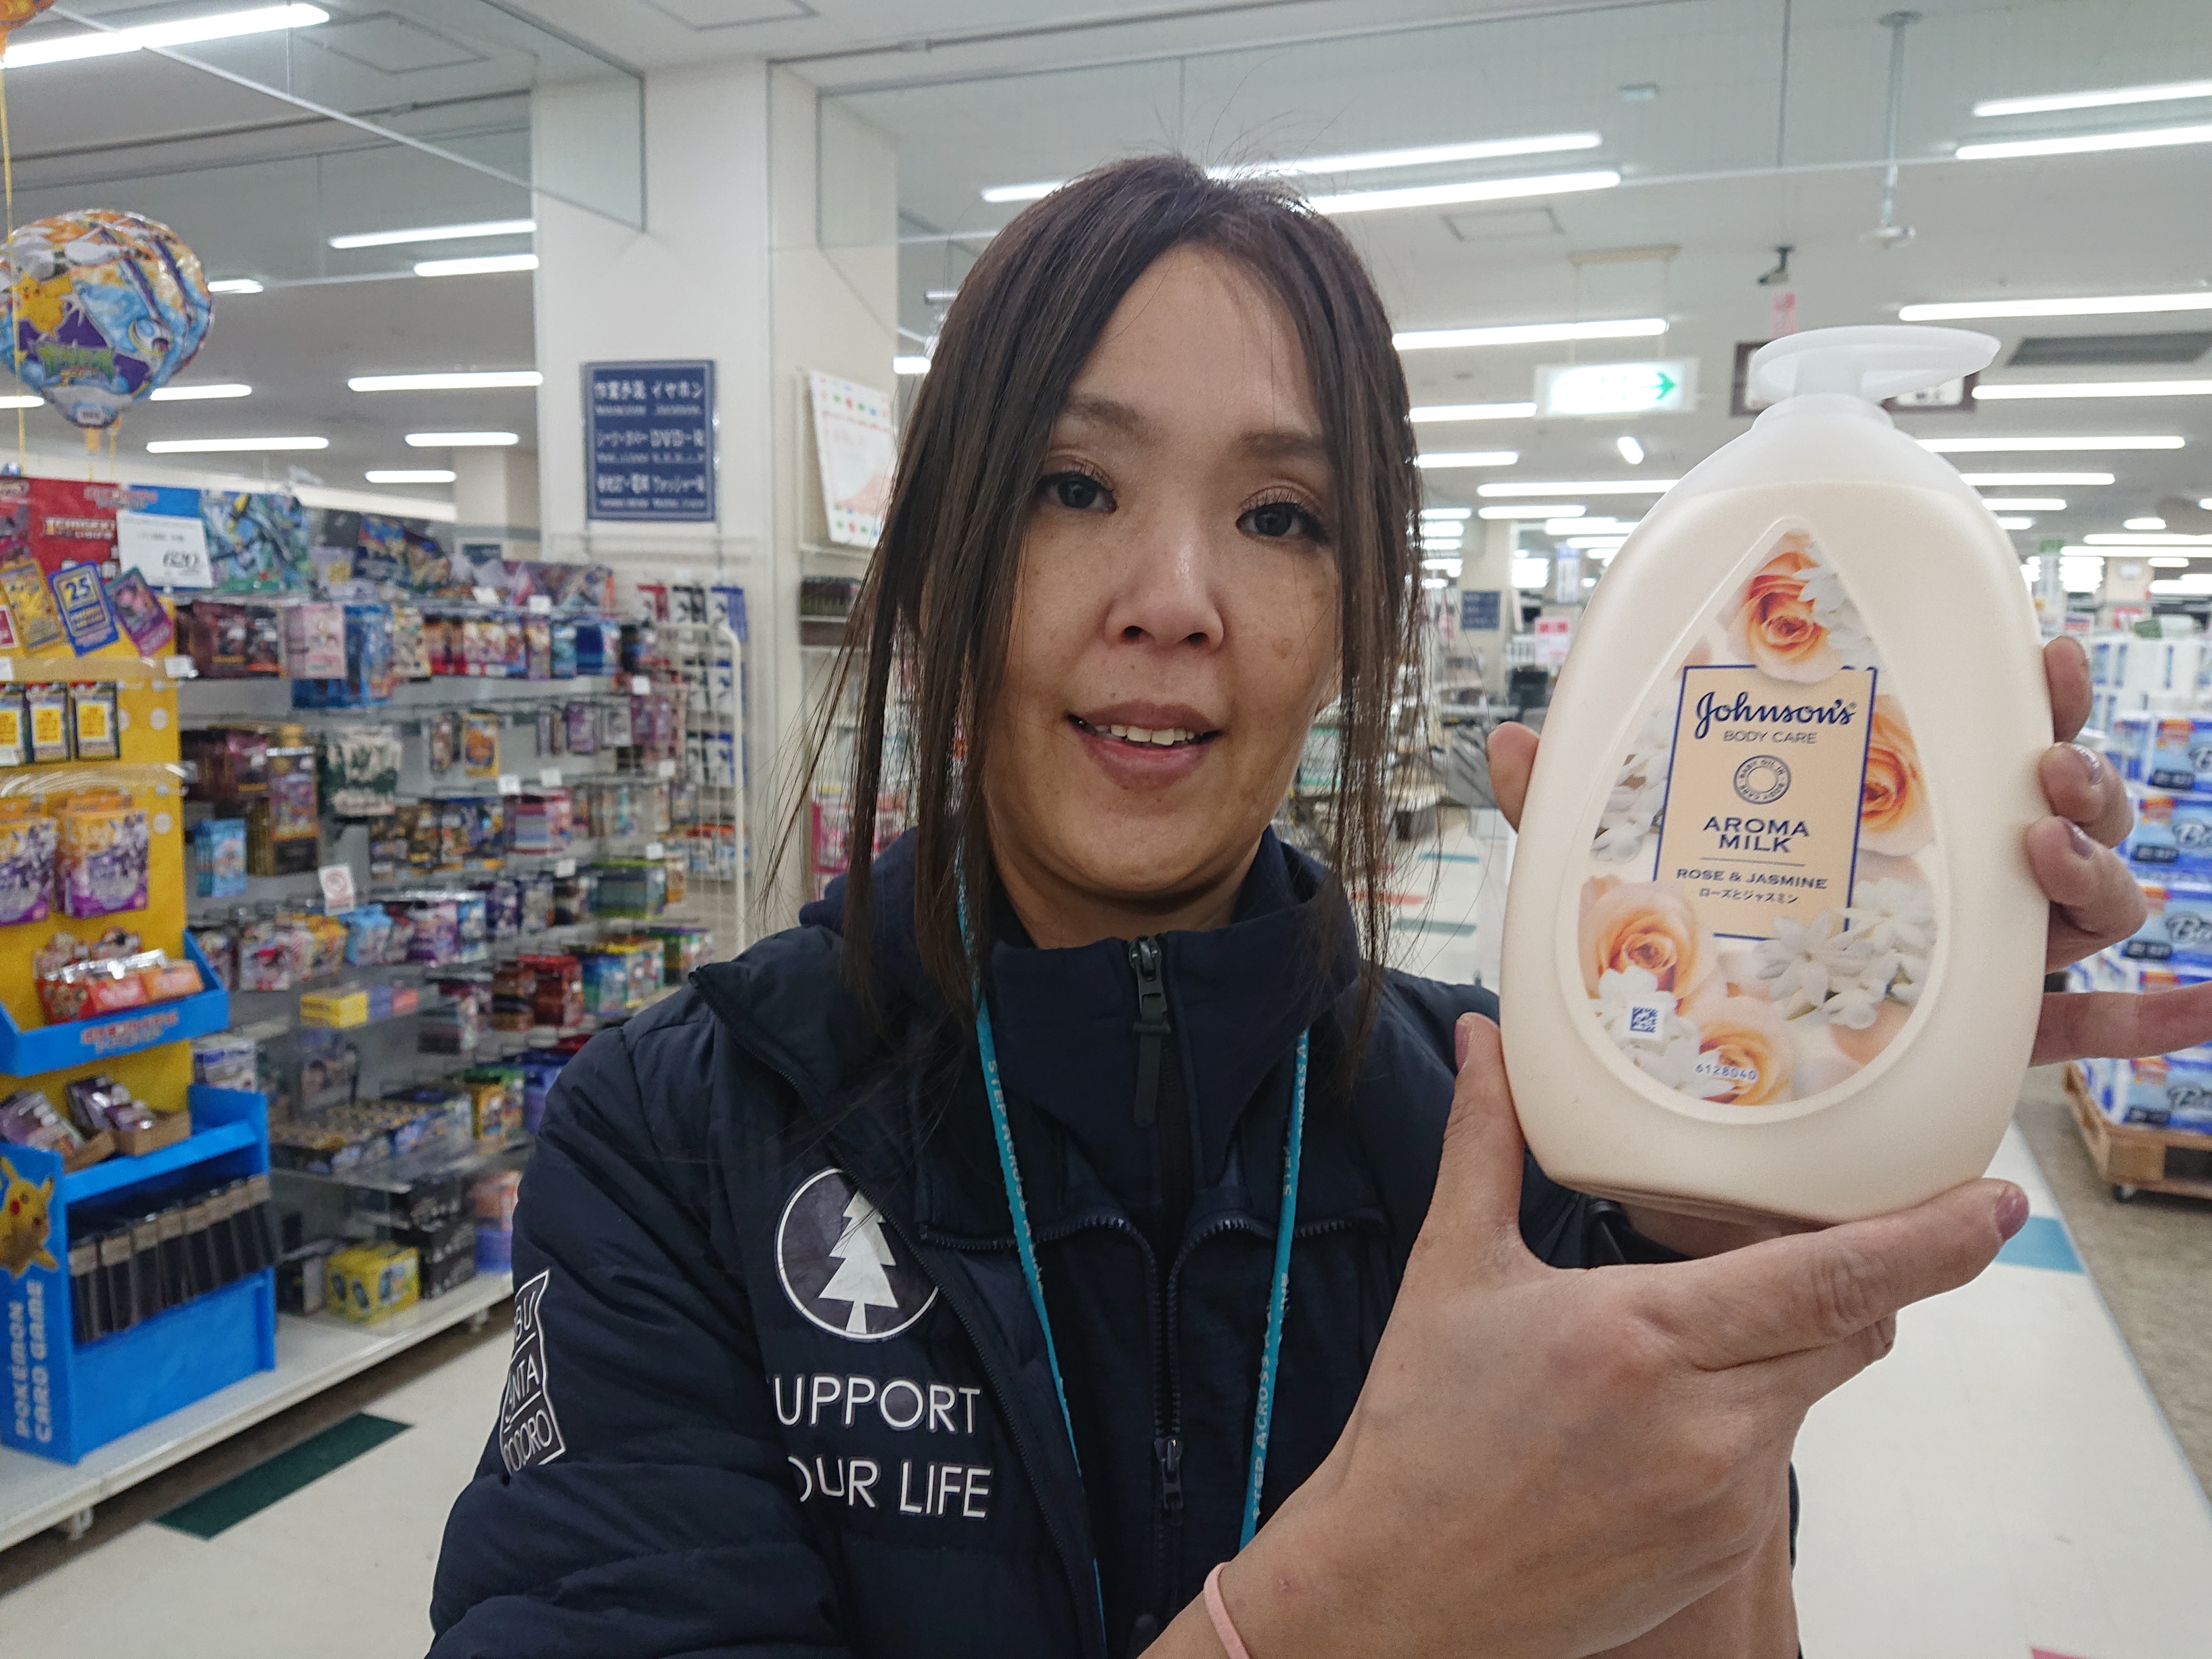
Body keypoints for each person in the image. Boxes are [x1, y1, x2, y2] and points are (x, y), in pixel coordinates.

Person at [428, 156, 2187, 1659]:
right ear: (944, 552)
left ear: (1356, 621)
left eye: (1280, 516)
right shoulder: (681, 1139)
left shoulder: (1532, 1145)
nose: (1176, 598)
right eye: (1073, 487)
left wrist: (1737, 1191)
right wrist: (1331, 1613)